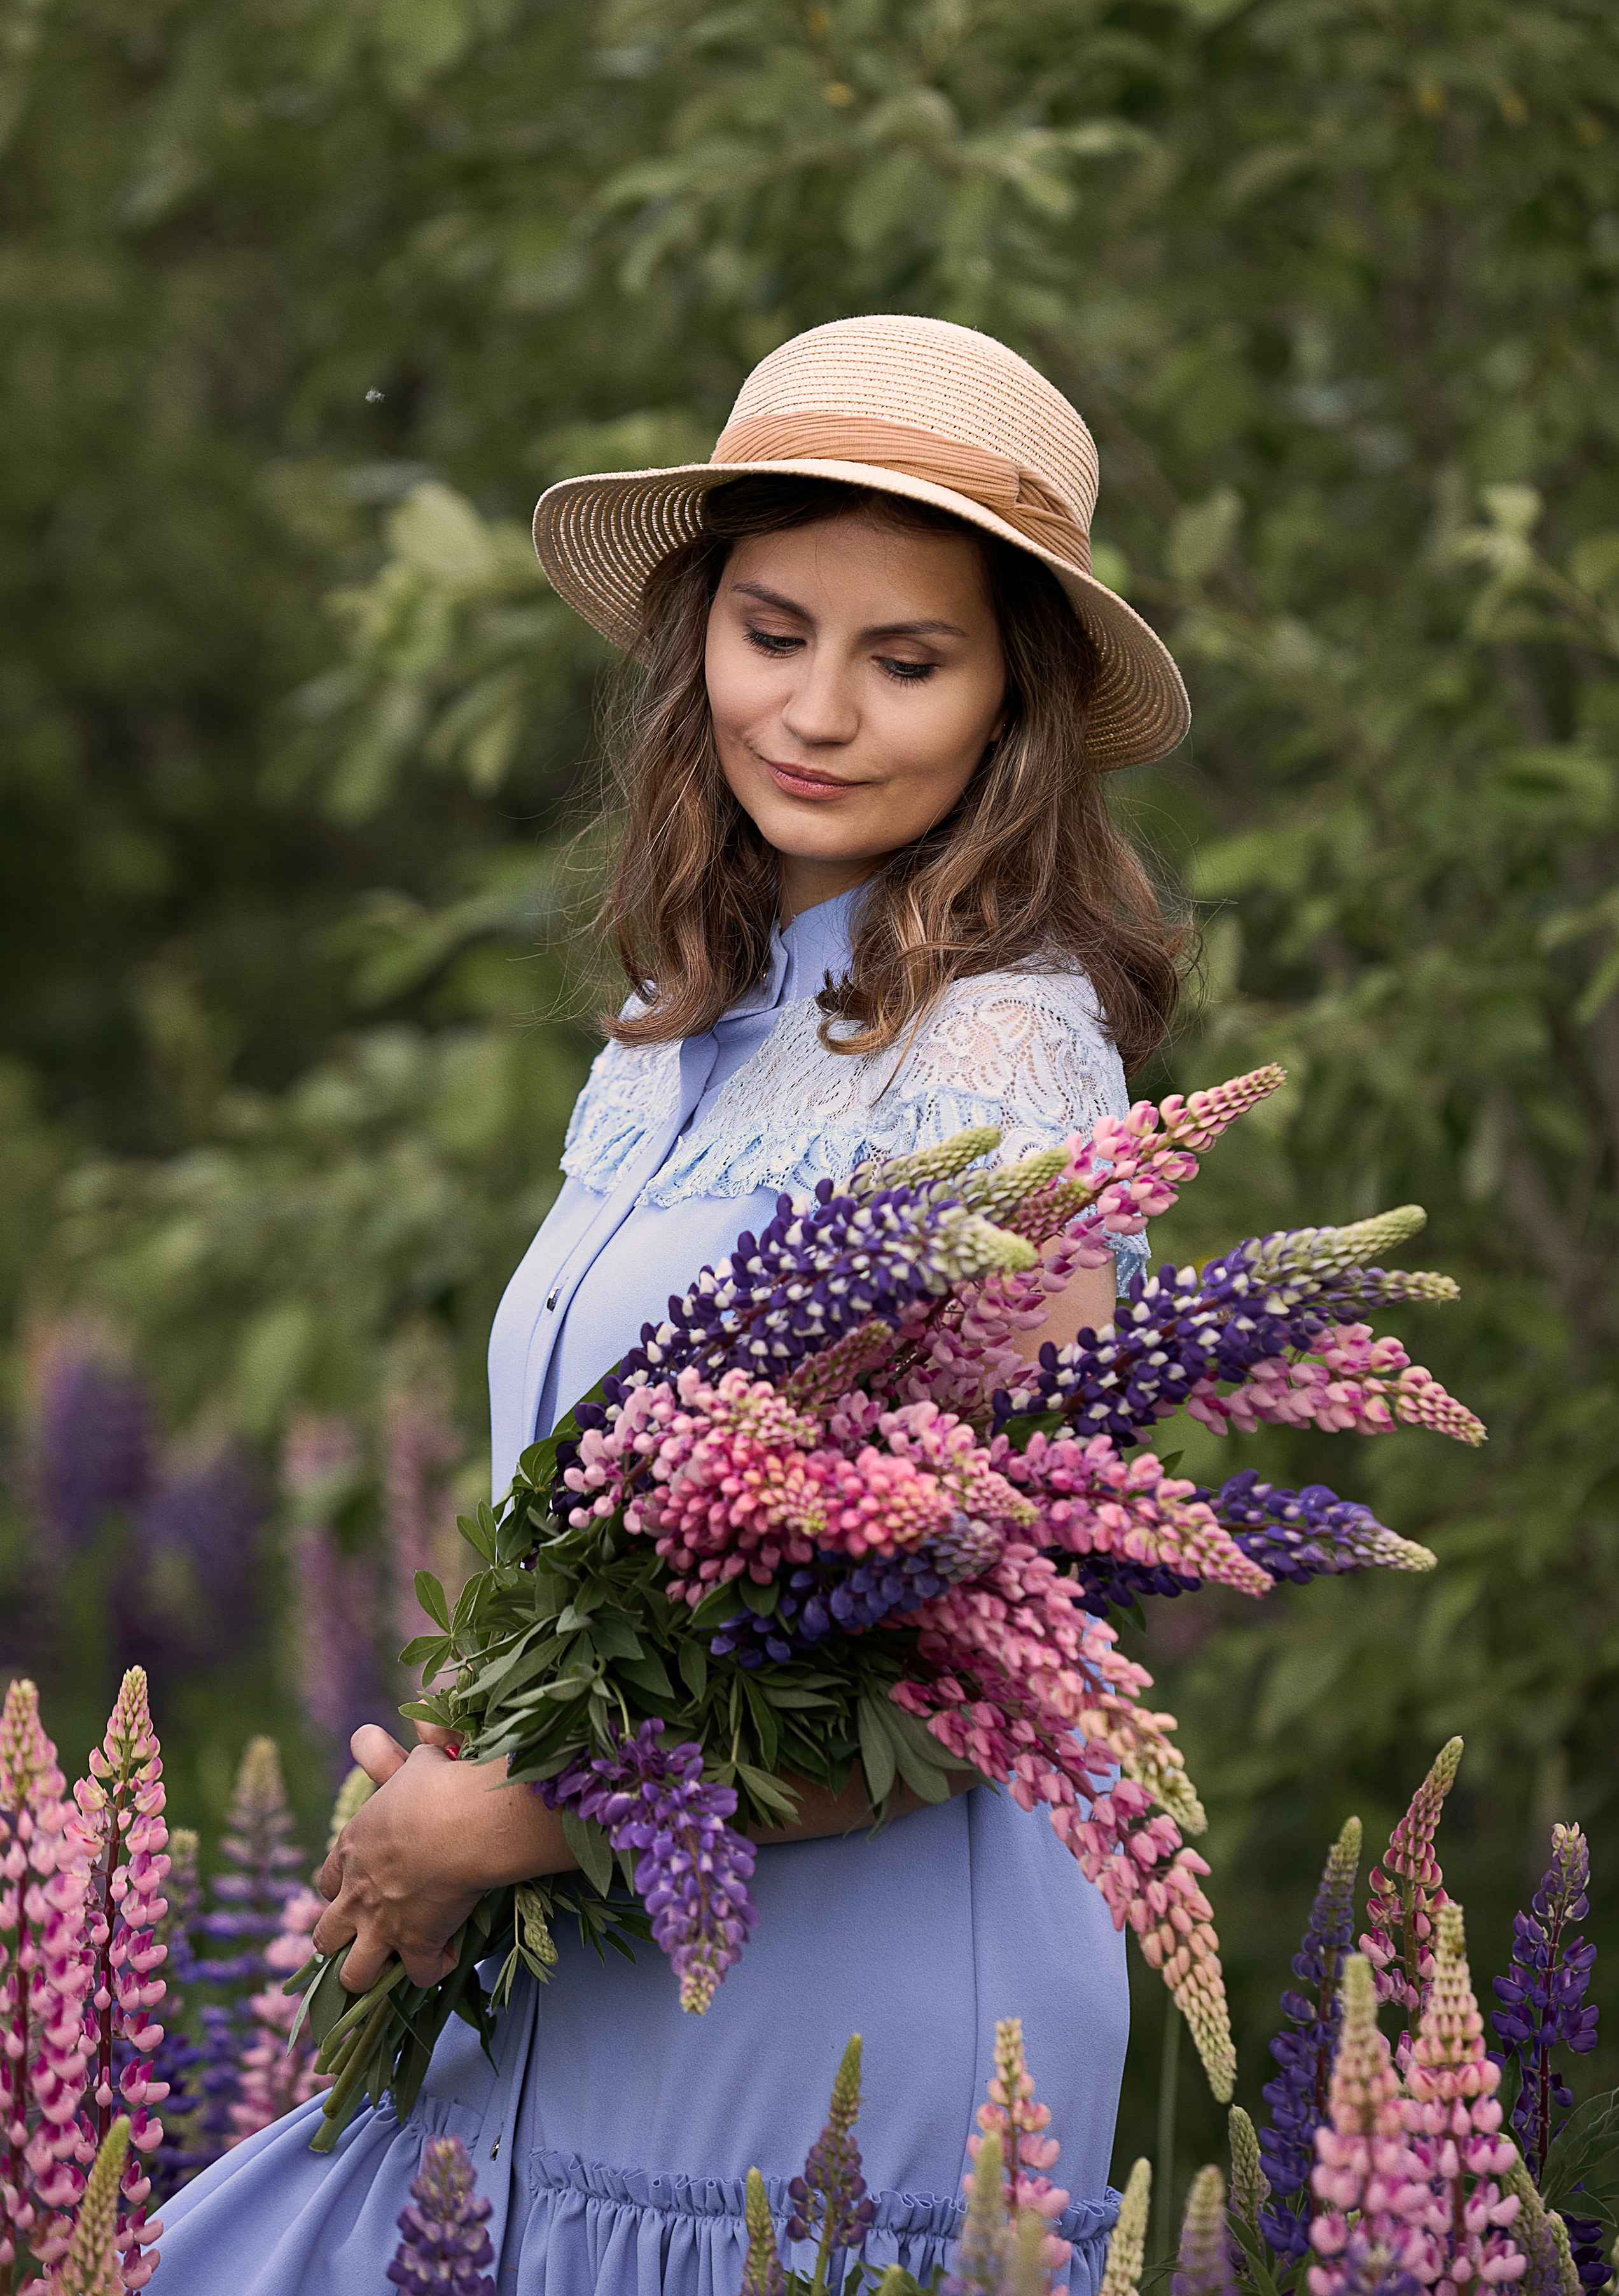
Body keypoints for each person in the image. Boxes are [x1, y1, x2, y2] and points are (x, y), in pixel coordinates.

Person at [155, 314, 1192, 2295]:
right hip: (589, 1990)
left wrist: (516, 1829)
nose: (815, 709)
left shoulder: (1004, 1067)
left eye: (909, 661)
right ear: (699, 632)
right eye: (774, 629)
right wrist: (467, 1777)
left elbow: (1007, 1675)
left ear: (1010, 710)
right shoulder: (672, 1031)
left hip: (847, 2041)